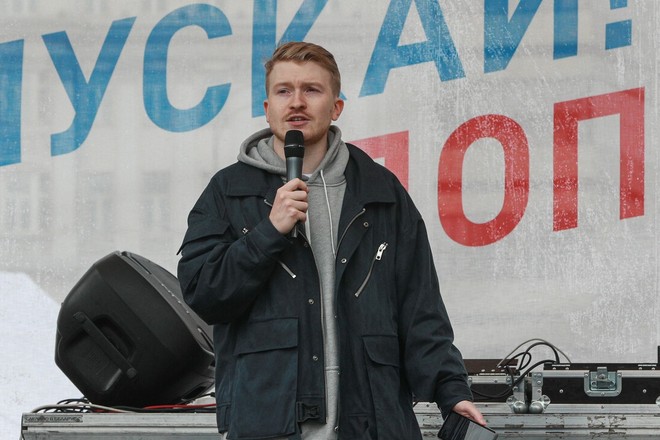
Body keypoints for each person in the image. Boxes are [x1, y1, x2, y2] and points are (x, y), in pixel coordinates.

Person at [177, 41, 485, 440]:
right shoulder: (229, 191)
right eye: (284, 91)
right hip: (269, 424)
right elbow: (203, 293)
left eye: (312, 90)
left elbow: (420, 308)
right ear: (267, 108)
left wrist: (451, 392)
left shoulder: (380, 191)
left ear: (336, 107)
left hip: (370, 424)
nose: (297, 102)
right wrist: (268, 233)